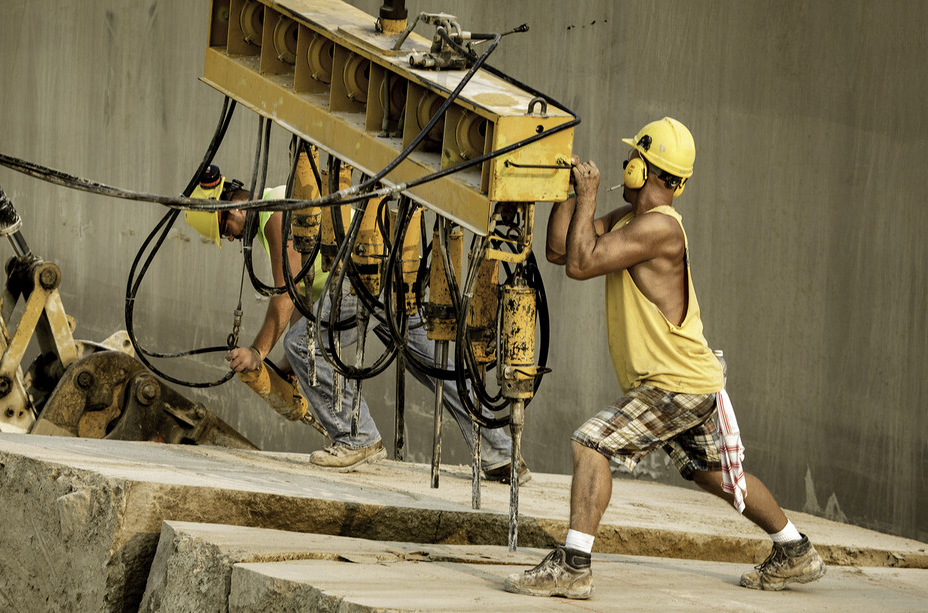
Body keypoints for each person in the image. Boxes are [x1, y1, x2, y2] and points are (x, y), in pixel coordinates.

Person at [504, 118, 824, 599]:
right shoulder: (629, 220)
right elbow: (559, 250)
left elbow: (581, 264)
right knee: (714, 475)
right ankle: (795, 550)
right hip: (688, 381)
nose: (624, 165)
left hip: (674, 383)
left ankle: (573, 566)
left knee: (591, 444)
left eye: (632, 158)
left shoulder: (660, 229)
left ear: (642, 169)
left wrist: (587, 194)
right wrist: (567, 193)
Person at [186, 172, 529, 483]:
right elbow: (304, 299)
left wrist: (258, 352)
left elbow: (285, 297)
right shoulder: (277, 207)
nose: (229, 237)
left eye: (224, 228)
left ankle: (357, 437)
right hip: (390, 272)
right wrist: (288, 366)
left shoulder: (274, 213)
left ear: (232, 206)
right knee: (434, 366)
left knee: (301, 344)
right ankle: (501, 454)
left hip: (361, 276)